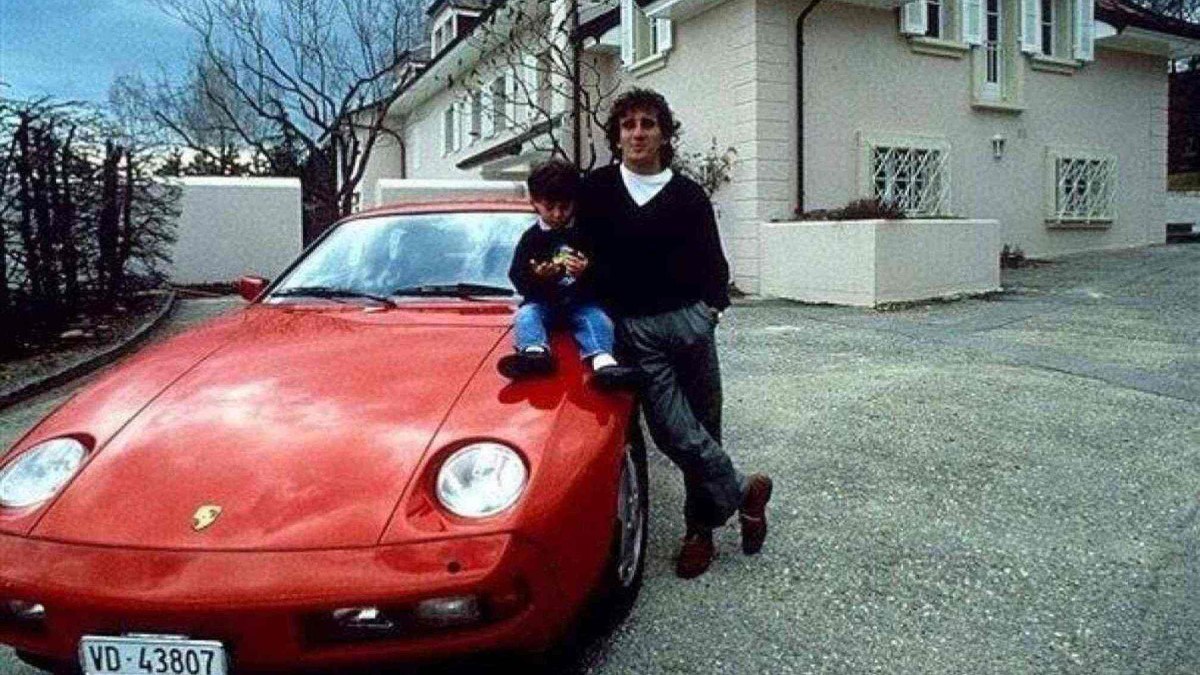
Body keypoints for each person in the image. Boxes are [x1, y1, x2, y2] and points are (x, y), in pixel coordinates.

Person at [579, 88, 773, 579]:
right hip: (634, 332)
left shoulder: (688, 195)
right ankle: (746, 492)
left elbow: (715, 264)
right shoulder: (597, 190)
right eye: (628, 125)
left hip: (689, 325)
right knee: (673, 434)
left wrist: (709, 313)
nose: (638, 132)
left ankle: (700, 530)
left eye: (647, 123)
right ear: (617, 136)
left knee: (704, 426)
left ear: (664, 133)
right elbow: (573, 252)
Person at [499, 159, 641, 391]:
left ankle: (603, 361)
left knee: (598, 319)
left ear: (575, 203)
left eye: (564, 207)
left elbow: (608, 276)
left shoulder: (589, 234)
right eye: (550, 207)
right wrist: (538, 277)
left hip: (582, 303)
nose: (557, 214)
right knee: (525, 315)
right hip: (542, 303)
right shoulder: (531, 239)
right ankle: (534, 352)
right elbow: (517, 277)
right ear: (534, 202)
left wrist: (587, 271)